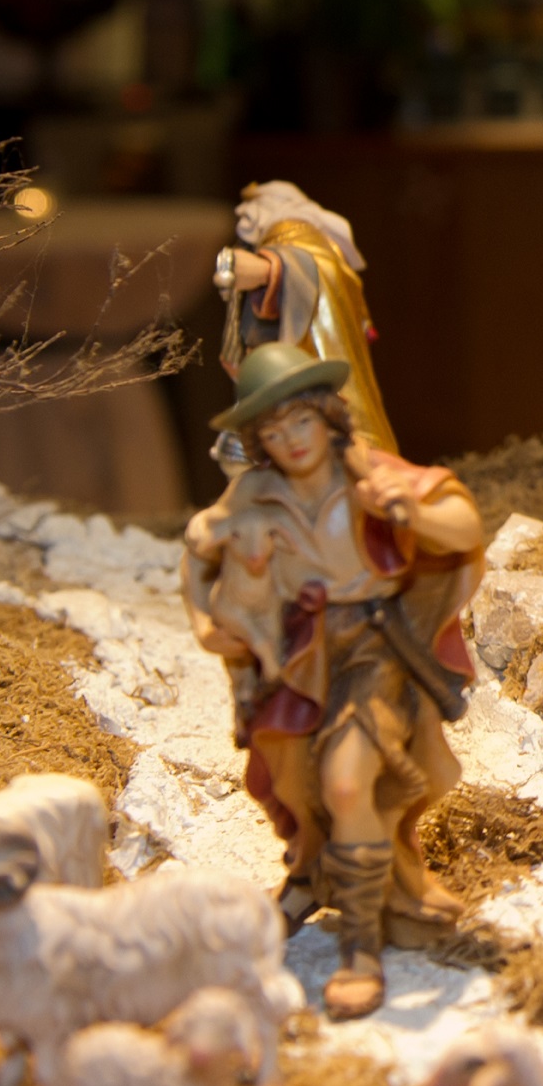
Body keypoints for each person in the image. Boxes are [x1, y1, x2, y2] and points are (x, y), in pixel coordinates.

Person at [178, 343, 485, 1019]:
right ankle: (311, 874)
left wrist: (409, 512)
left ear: (327, 418)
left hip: (373, 649)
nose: (291, 440)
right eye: (273, 431)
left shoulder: (369, 472)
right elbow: (198, 552)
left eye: (301, 422)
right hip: (294, 651)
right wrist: (204, 622)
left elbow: (463, 526)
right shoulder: (255, 492)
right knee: (294, 784)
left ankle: (361, 945)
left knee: (349, 782)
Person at [213, 181, 395, 458]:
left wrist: (269, 269)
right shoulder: (280, 237)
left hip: (312, 354)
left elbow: (312, 266)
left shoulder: (291, 231)